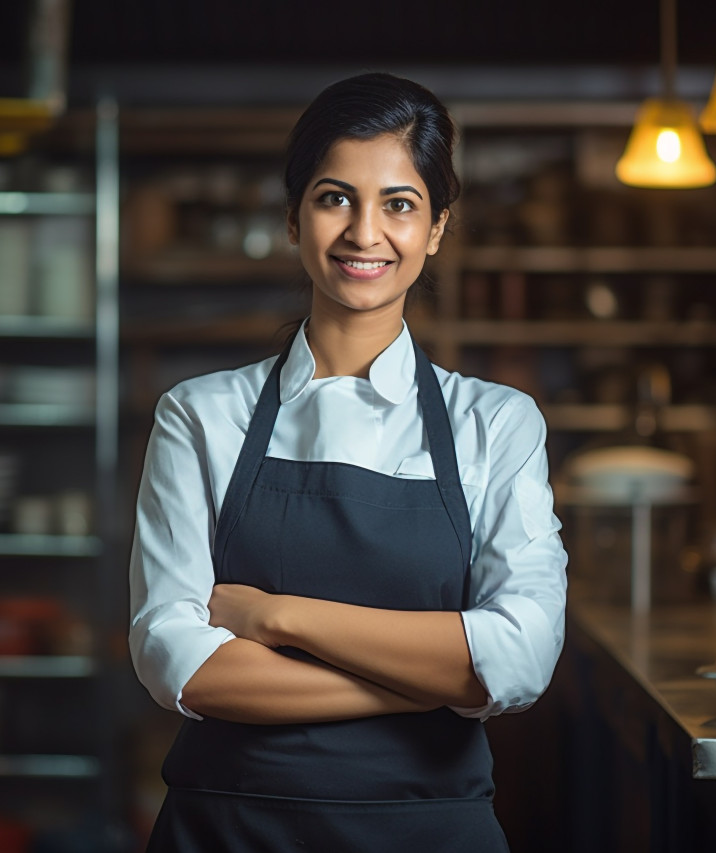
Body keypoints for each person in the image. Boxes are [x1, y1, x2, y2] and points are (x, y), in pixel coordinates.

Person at [129, 72, 568, 852]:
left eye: (399, 204)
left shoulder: (496, 424)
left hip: (429, 831)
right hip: (230, 828)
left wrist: (278, 616)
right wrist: (430, 683)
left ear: (435, 229)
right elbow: (179, 665)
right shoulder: (200, 415)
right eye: (335, 198)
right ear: (293, 220)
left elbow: (524, 654)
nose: (365, 233)